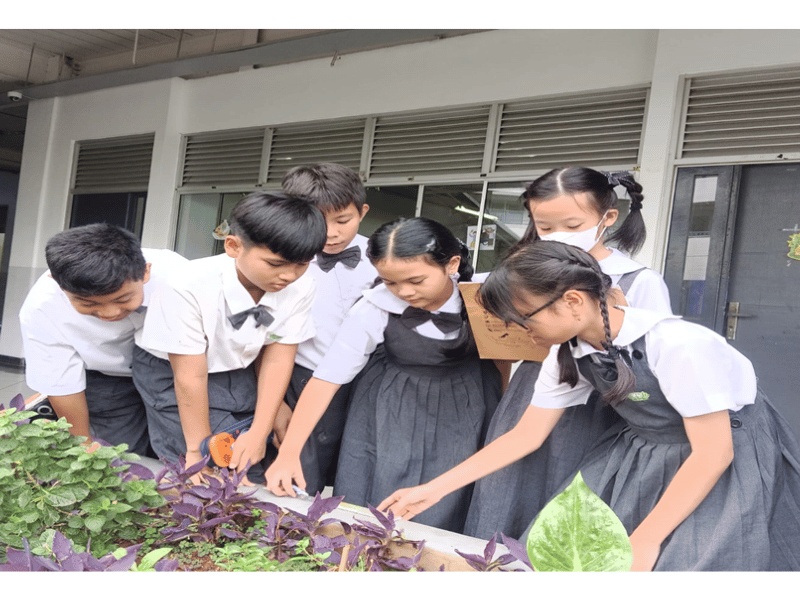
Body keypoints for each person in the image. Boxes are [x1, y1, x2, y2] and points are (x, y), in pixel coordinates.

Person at [379, 240, 800, 571]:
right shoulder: (570, 351)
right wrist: (430, 489)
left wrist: (647, 538)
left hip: (721, 460)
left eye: (526, 319)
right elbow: (525, 435)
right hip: (640, 456)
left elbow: (714, 452)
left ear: (574, 301)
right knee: (578, 555)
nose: (522, 332)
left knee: (691, 562)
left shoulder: (678, 345)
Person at [465, 166, 672, 540]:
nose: (557, 235)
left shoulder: (638, 280)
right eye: (544, 226)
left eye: (573, 225)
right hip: (530, 396)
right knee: (506, 494)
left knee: (574, 509)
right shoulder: (525, 269)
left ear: (608, 218)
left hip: (600, 409)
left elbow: (653, 360)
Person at [266, 217, 502, 533]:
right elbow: (327, 379)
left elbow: (504, 362)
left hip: (466, 407)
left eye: (415, 281)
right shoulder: (374, 306)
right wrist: (290, 452)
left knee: (452, 499)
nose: (403, 291)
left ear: (452, 264)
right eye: (391, 282)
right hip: (393, 408)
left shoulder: (483, 299)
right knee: (380, 492)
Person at [132, 192, 327, 485]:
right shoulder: (185, 285)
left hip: (239, 364)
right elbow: (189, 377)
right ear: (233, 246)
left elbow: (278, 356)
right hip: (173, 370)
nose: (289, 276)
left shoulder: (302, 287)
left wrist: (260, 431)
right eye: (276, 264)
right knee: (201, 471)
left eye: (301, 265)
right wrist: (197, 451)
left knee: (250, 455)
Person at [18, 223, 187, 456]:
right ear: (57, 283)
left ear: (145, 272)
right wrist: (84, 446)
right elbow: (62, 382)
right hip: (105, 379)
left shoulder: (177, 275)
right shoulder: (42, 307)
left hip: (173, 368)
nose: (110, 313)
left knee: (182, 448)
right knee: (119, 454)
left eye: (123, 299)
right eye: (89, 304)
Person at [276, 163, 377, 494]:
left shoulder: (384, 256)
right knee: (302, 475)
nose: (331, 233)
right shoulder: (278, 263)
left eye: (342, 221)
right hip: (303, 378)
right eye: (318, 221)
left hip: (370, 384)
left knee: (359, 476)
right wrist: (277, 404)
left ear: (362, 211)